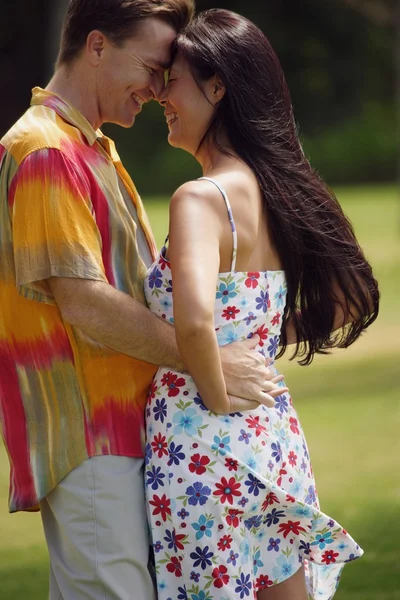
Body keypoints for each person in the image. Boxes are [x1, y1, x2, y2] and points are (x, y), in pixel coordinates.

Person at [0, 2, 285, 599]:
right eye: (153, 67)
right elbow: (84, 302)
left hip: (122, 434)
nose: (158, 89)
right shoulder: (47, 149)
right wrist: (202, 357)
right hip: (91, 435)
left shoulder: (90, 148)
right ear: (97, 45)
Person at [144, 8, 379, 600]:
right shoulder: (277, 191)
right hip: (271, 439)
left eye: (170, 79)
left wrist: (218, 396)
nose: (157, 95)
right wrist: (262, 340)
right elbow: (352, 297)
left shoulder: (200, 198)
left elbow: (196, 320)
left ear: (216, 86)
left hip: (202, 450)